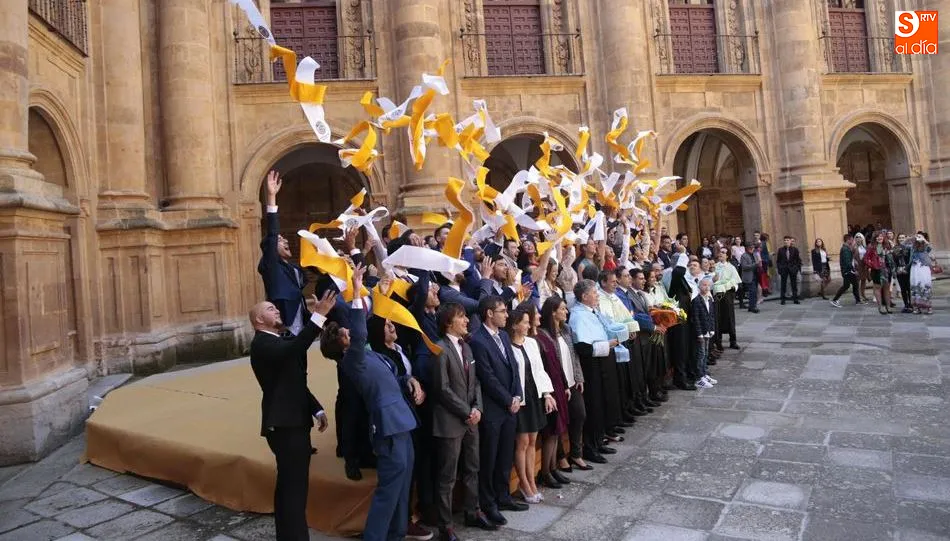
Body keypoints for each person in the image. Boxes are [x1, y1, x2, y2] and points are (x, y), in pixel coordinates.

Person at [320, 265, 428, 541]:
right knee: (389, 488)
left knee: (404, 481)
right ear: (343, 345)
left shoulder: (369, 355)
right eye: (346, 334)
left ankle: (397, 533)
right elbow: (360, 332)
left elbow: (391, 375)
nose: (351, 333)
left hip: (402, 420)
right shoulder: (351, 360)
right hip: (388, 425)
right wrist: (356, 292)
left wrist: (410, 381)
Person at [249, 291, 335, 541]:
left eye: (275, 307)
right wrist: (318, 317)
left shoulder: (278, 340)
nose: (276, 309)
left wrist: (315, 408)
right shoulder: (262, 343)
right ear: (258, 320)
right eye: (269, 309)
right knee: (294, 491)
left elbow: (294, 381)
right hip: (284, 425)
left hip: (293, 421)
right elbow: (296, 348)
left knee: (291, 488)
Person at [430, 303, 495, 541]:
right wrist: (467, 411)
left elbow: (475, 382)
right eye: (461, 317)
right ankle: (445, 526)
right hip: (450, 422)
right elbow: (442, 389)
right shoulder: (440, 348)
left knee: (472, 468)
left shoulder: (466, 347)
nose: (467, 320)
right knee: (447, 476)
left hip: (471, 420)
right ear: (449, 323)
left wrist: (477, 408)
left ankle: (472, 511)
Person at [469, 295, 527, 527]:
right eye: (502, 311)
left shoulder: (503, 335)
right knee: (490, 457)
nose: (506, 315)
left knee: (505, 454)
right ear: (489, 314)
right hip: (493, 409)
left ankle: (503, 496)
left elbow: (513, 366)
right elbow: (487, 376)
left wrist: (517, 395)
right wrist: (507, 399)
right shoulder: (478, 340)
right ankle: (488, 503)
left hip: (510, 406)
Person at [570, 280, 625, 461]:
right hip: (591, 366)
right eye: (594, 293)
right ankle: (590, 447)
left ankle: (599, 440)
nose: (597, 296)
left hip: (603, 362)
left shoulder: (593, 311)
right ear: (584, 296)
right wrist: (607, 345)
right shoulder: (578, 316)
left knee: (602, 402)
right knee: (593, 405)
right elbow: (583, 347)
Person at [507, 305, 556, 503]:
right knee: (522, 442)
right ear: (515, 325)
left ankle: (531, 482)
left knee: (533, 442)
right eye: (525, 323)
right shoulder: (507, 346)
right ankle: (524, 483)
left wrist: (547, 394)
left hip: (534, 395)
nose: (529, 326)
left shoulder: (532, 343)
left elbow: (540, 370)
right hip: (520, 399)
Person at [535, 296, 583, 482]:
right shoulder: (542, 335)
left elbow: (572, 356)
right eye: (562, 309)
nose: (566, 311)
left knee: (567, 422)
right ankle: (549, 469)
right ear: (553, 312)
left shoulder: (565, 329)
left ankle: (554, 466)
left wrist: (576, 378)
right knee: (553, 429)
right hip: (552, 386)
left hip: (566, 382)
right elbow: (548, 364)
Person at [689, 277, 717, 389]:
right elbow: (695, 318)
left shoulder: (709, 299)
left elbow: (711, 316)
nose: (706, 287)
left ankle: (704, 373)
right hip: (701, 332)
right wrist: (699, 333)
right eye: (704, 285)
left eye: (708, 285)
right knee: (700, 354)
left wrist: (712, 329)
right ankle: (698, 377)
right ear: (699, 286)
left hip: (708, 331)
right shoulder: (696, 301)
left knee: (705, 353)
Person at [712, 248, 740, 351]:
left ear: (727, 255)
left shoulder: (731, 267)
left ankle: (733, 340)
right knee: (718, 316)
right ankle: (718, 341)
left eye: (723, 252)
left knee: (729, 316)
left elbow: (735, 281)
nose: (721, 254)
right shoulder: (714, 266)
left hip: (727, 294)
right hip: (717, 293)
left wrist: (730, 286)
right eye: (720, 252)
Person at [831, 234, 861, 307]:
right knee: (848, 285)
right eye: (852, 240)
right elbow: (847, 262)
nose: (853, 241)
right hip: (848, 271)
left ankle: (858, 300)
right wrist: (854, 270)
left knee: (851, 285)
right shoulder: (845, 249)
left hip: (847, 270)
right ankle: (835, 300)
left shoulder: (847, 248)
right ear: (848, 240)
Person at [909, 234, 936, 314]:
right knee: (915, 285)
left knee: (925, 285)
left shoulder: (926, 248)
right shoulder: (912, 248)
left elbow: (930, 247)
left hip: (924, 269)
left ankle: (928, 307)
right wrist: (912, 238)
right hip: (915, 269)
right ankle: (916, 307)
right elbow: (903, 244)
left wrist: (923, 239)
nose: (918, 241)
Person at [776, 235, 802, 305]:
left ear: (790, 241)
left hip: (792, 269)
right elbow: (778, 261)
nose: (786, 241)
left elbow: (798, 260)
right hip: (784, 269)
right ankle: (783, 299)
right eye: (785, 240)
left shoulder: (795, 250)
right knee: (783, 284)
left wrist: (796, 268)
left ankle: (795, 299)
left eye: (787, 240)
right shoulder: (780, 250)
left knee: (794, 284)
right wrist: (780, 269)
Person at [892, 234, 913, 313]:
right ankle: (906, 304)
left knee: (909, 288)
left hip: (908, 270)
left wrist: (907, 268)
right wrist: (896, 269)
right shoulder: (895, 248)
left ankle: (911, 304)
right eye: (900, 238)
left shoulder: (910, 248)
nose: (901, 239)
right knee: (903, 288)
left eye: (903, 238)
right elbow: (893, 260)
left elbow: (911, 259)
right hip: (899, 270)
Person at [739, 244, 759, 313]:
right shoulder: (744, 256)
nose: (752, 249)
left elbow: (757, 262)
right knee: (752, 292)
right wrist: (755, 265)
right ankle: (753, 307)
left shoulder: (754, 254)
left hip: (755, 275)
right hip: (749, 276)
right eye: (751, 248)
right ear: (747, 248)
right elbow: (744, 267)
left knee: (754, 292)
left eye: (753, 248)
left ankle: (751, 306)